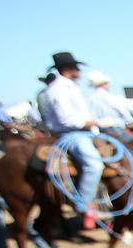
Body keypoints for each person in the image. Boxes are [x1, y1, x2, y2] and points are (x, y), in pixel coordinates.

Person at [43, 51, 103, 230]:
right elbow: (65, 119)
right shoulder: (58, 89)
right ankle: (83, 205)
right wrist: (87, 123)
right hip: (72, 133)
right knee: (94, 164)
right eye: (76, 67)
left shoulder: (71, 87)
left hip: (85, 131)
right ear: (68, 68)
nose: (79, 70)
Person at [86, 70, 133, 141]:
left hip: (101, 131)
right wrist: (130, 121)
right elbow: (123, 111)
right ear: (104, 83)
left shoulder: (90, 98)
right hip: (116, 128)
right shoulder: (110, 97)